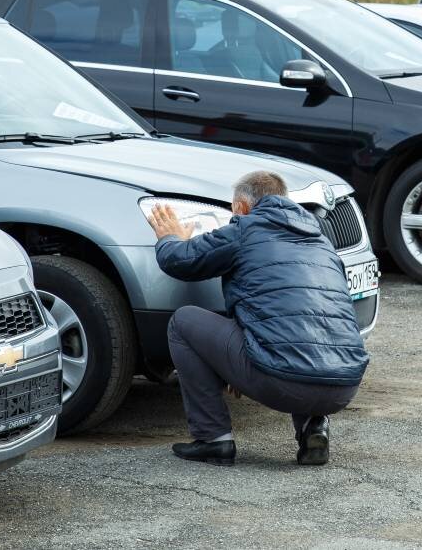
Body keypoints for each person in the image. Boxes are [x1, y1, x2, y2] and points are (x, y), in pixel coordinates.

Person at [146, 170, 369, 466]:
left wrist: (170, 237)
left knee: (183, 322)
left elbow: (180, 260)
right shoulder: (322, 243)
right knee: (303, 330)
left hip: (282, 380)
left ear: (240, 207)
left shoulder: (244, 229)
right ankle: (314, 427)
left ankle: (213, 439)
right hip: (344, 385)